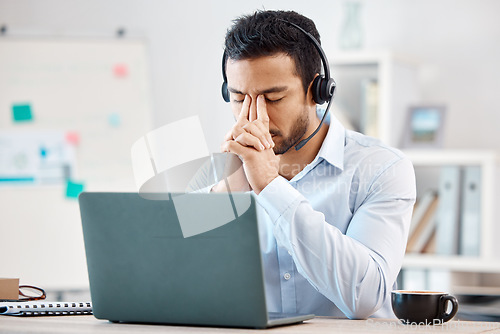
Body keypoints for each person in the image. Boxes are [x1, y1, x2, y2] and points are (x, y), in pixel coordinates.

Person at [211, 10, 416, 319]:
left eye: (274, 98)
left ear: (317, 91)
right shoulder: (224, 172)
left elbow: (365, 296)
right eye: (239, 98)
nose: (254, 117)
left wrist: (270, 186)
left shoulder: (382, 169)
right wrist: (228, 192)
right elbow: (169, 276)